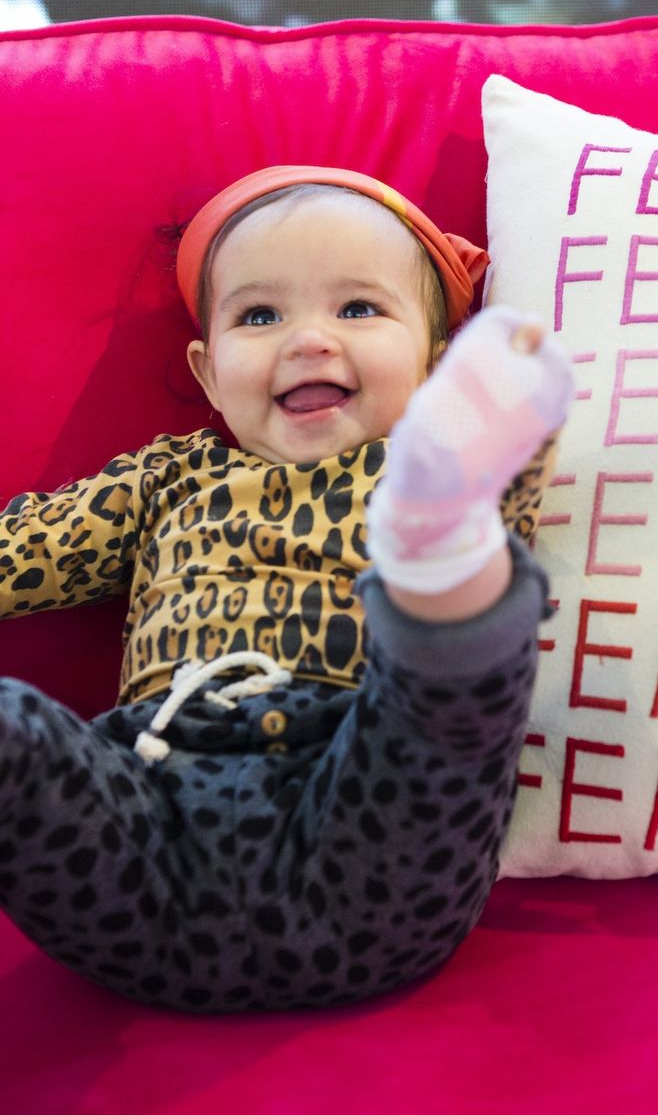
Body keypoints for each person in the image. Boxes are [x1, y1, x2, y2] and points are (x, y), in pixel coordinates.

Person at [0, 165, 573, 1013]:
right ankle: (441, 560)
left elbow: (519, 477)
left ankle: (437, 550)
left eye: (358, 308)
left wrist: (468, 444)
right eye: (260, 315)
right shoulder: (170, 477)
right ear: (206, 372)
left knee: (451, 692)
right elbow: (23, 550)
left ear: (436, 361)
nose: (308, 340)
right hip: (142, 835)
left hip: (366, 812)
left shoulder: (412, 462)